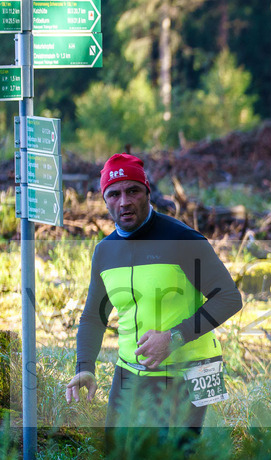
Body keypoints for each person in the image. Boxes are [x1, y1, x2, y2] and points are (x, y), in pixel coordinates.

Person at [66, 153, 243, 442]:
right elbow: (93, 316)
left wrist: (174, 337)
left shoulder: (183, 239)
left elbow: (229, 298)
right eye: (114, 194)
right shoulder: (105, 252)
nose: (124, 201)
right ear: (104, 200)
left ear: (148, 192)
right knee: (117, 457)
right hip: (130, 369)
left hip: (197, 367)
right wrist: (85, 367)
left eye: (132, 190)